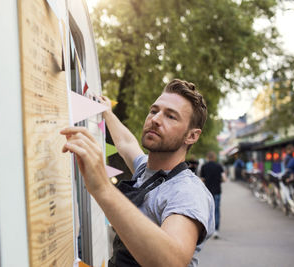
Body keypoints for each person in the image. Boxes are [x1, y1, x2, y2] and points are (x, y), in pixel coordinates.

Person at [61, 79, 214, 267]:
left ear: (192, 136)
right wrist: (107, 112)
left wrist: (102, 188)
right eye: (154, 111)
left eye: (171, 116)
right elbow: (126, 143)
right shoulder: (145, 169)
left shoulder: (187, 191)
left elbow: (173, 262)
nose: (156, 120)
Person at [200, 151, 227, 239]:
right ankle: (216, 230)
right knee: (216, 210)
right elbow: (224, 179)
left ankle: (207, 230)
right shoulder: (219, 166)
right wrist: (219, 180)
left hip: (207, 192)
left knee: (207, 210)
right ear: (214, 157)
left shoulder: (204, 166)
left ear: (207, 157)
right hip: (217, 191)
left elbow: (202, 179)